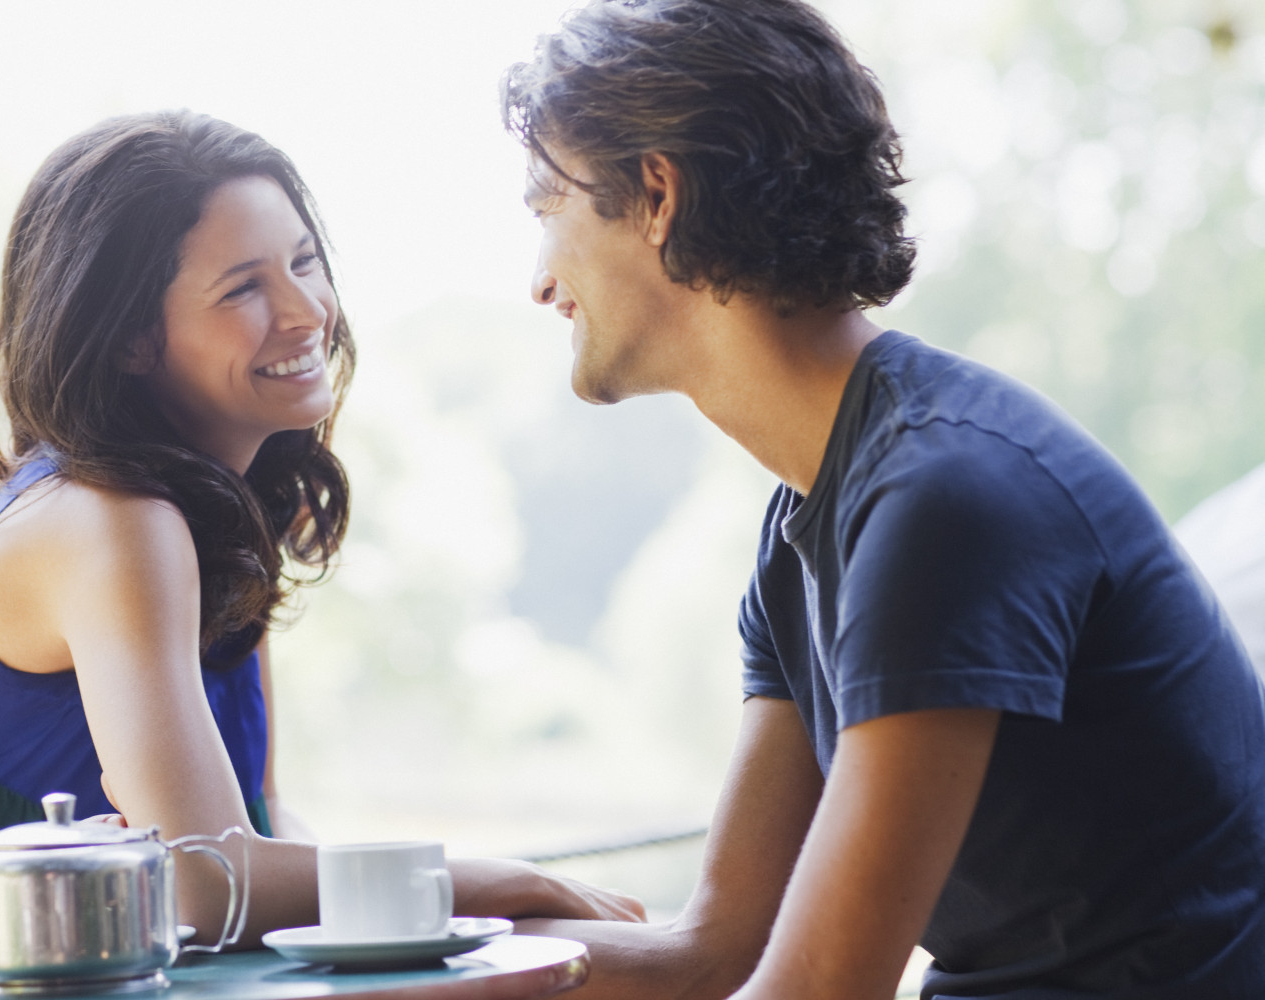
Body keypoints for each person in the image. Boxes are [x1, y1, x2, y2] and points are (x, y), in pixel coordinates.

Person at [498, 1, 1265, 998]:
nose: (537, 280)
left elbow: (817, 990)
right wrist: (418, 953)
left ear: (655, 195)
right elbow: (716, 949)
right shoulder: (802, 528)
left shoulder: (941, 501)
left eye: (544, 208)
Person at [0, 110, 644, 982]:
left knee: (593, 953)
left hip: (148, 978)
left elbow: (263, 824)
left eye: (304, 263)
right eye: (243, 288)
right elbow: (210, 883)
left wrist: (463, 899)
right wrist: (494, 879)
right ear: (129, 339)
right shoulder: (112, 521)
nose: (305, 310)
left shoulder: (211, 516)